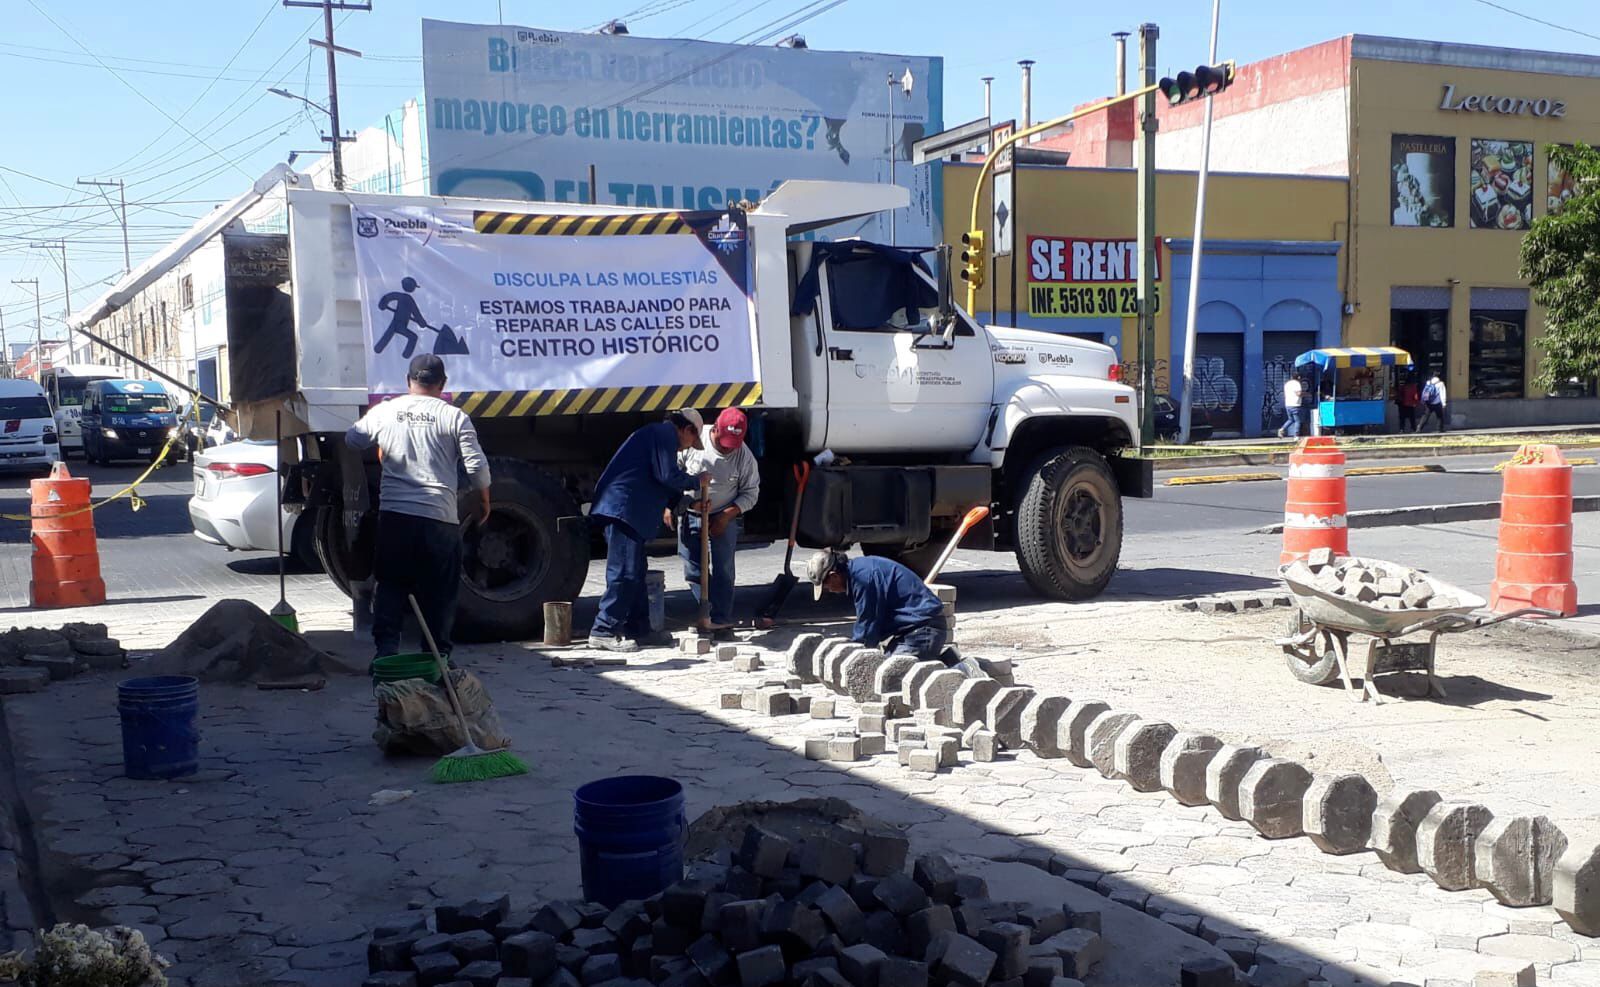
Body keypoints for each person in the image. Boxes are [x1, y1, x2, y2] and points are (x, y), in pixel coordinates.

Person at [344, 354, 490, 660]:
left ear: (409, 382)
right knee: (440, 593)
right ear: (443, 384)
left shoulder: (387, 410)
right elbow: (476, 468)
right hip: (440, 519)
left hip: (396, 518)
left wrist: (383, 444)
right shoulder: (454, 417)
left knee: (392, 586)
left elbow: (353, 439)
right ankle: (437, 659)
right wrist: (483, 500)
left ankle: (386, 654)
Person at [590, 410, 709, 652]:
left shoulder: (657, 437)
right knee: (625, 572)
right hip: (623, 510)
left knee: (637, 572)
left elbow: (659, 482)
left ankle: (640, 629)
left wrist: (687, 503)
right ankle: (603, 630)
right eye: (690, 442)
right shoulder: (664, 434)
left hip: (628, 510)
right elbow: (667, 476)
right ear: (687, 430)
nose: (684, 449)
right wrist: (697, 481)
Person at [669, 408, 760, 640]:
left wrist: (726, 515)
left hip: (722, 515)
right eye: (724, 442)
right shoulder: (694, 442)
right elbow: (670, 473)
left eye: (734, 444)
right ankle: (705, 615)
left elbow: (751, 493)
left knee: (724, 571)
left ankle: (721, 620)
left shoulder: (744, 456)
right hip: (691, 512)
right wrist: (674, 504)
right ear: (716, 428)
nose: (729, 448)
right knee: (693, 568)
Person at [806, 549, 949, 664]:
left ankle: (958, 670)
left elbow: (868, 626)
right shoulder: (858, 569)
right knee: (884, 667)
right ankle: (942, 662)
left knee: (893, 676)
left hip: (924, 630)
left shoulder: (863, 580)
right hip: (914, 629)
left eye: (827, 587)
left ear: (834, 576)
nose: (830, 590)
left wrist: (853, 655)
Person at [375, 277, 431, 359]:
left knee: (387, 336)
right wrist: (422, 323)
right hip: (401, 324)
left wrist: (382, 305)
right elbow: (416, 313)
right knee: (413, 337)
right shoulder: (409, 299)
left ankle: (378, 349)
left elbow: (388, 297)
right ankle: (406, 355)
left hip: (396, 323)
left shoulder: (400, 296)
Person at [1279, 372, 1304, 438]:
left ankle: (1282, 429)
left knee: (1290, 419)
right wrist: (1307, 394)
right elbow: (1298, 394)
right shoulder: (1297, 383)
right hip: (1295, 404)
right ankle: (1296, 435)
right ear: (1298, 377)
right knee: (1297, 421)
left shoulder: (1287, 383)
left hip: (1288, 404)